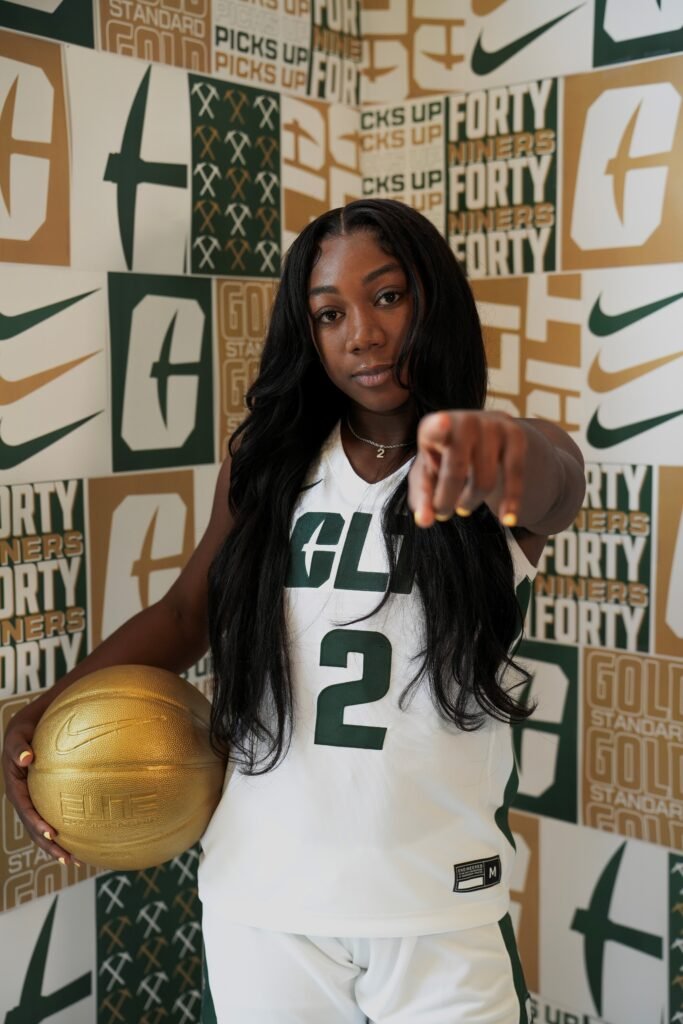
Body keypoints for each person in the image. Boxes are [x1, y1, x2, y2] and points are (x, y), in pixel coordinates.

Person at [3, 199, 585, 1024]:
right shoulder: (268, 464)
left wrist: (507, 448)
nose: (363, 335)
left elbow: (557, 478)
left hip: (436, 902)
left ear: (434, 298)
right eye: (329, 313)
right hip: (264, 896)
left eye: (387, 297)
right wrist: (42, 714)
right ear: (306, 333)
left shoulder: (492, 464)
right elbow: (185, 614)